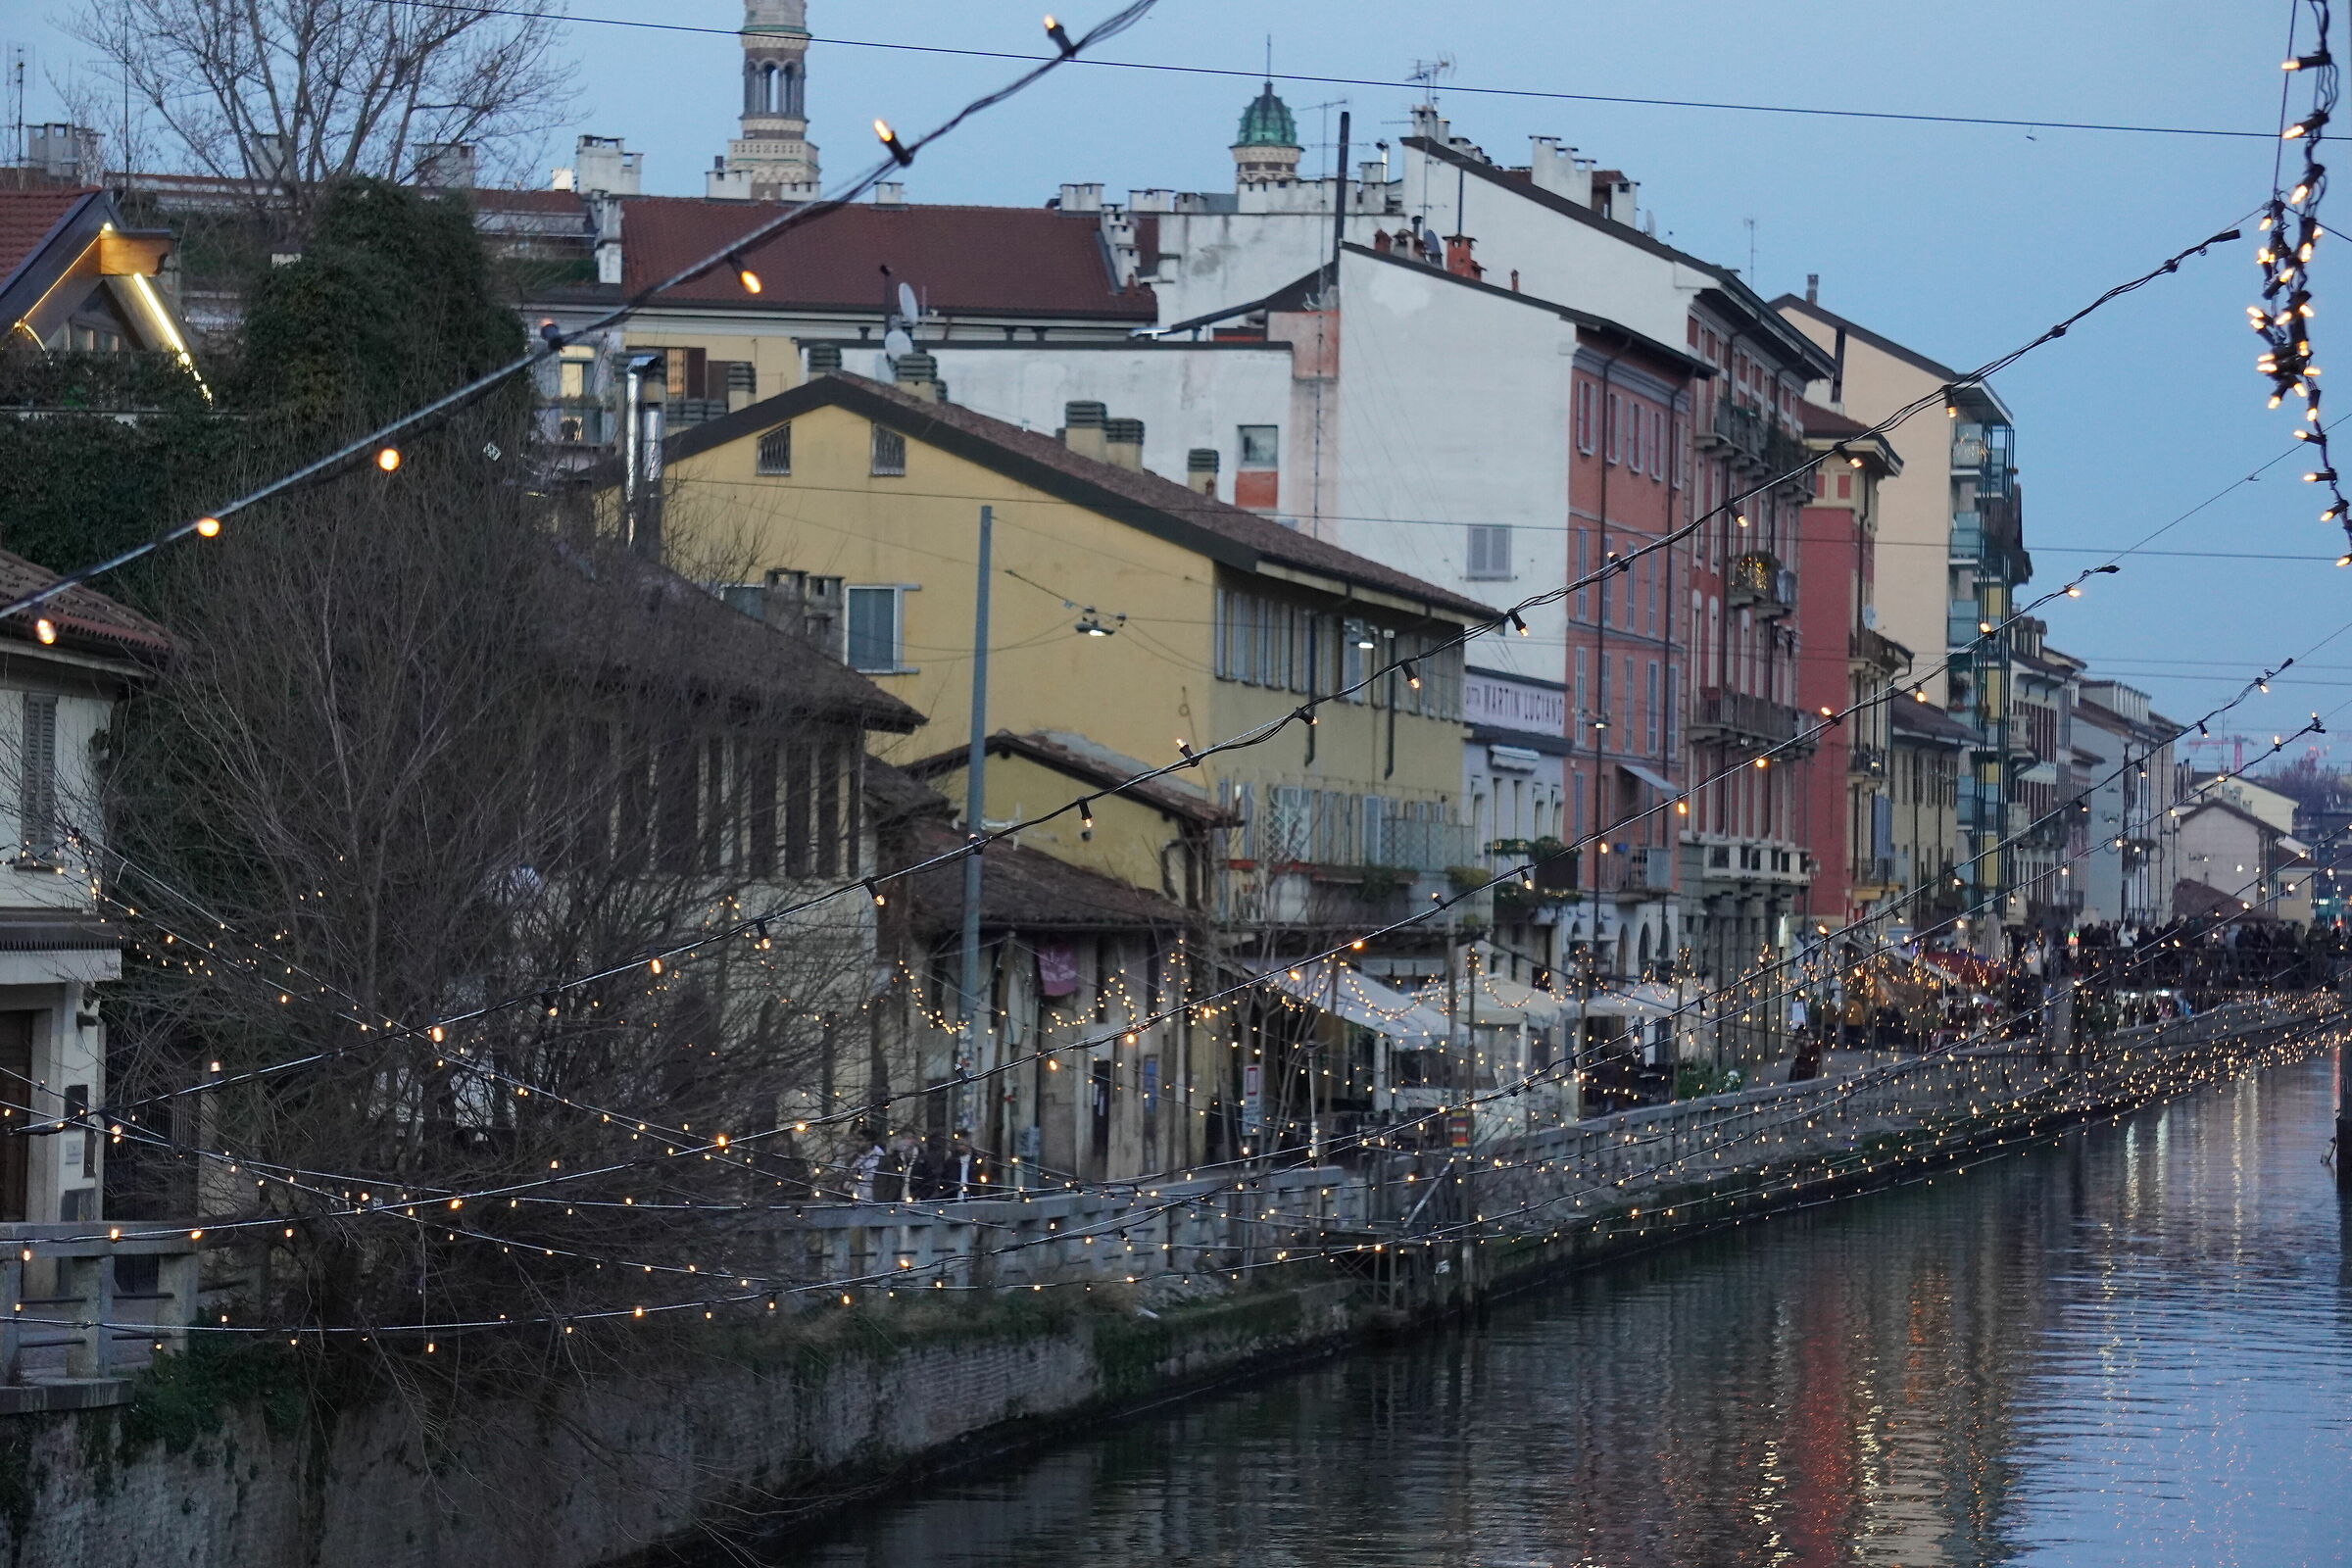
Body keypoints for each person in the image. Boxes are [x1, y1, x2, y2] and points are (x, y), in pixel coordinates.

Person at [940, 1128, 990, 1200]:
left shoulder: (978, 1162)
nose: (960, 1147)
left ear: (968, 1142)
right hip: (953, 1199)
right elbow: (944, 1181)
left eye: (962, 1143)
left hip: (974, 1200)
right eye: (959, 1144)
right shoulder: (950, 1162)